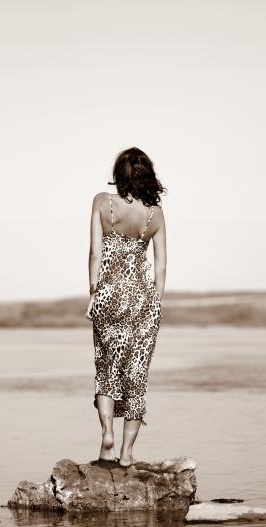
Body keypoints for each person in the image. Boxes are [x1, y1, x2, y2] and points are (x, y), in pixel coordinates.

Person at [85, 147, 167, 467]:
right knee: (136, 376)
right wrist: (155, 303)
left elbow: (94, 253)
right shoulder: (154, 214)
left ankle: (107, 437)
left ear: (119, 174)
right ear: (147, 175)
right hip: (142, 299)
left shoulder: (102, 203)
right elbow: (160, 267)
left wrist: (94, 291)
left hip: (108, 296)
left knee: (106, 370)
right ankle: (126, 453)